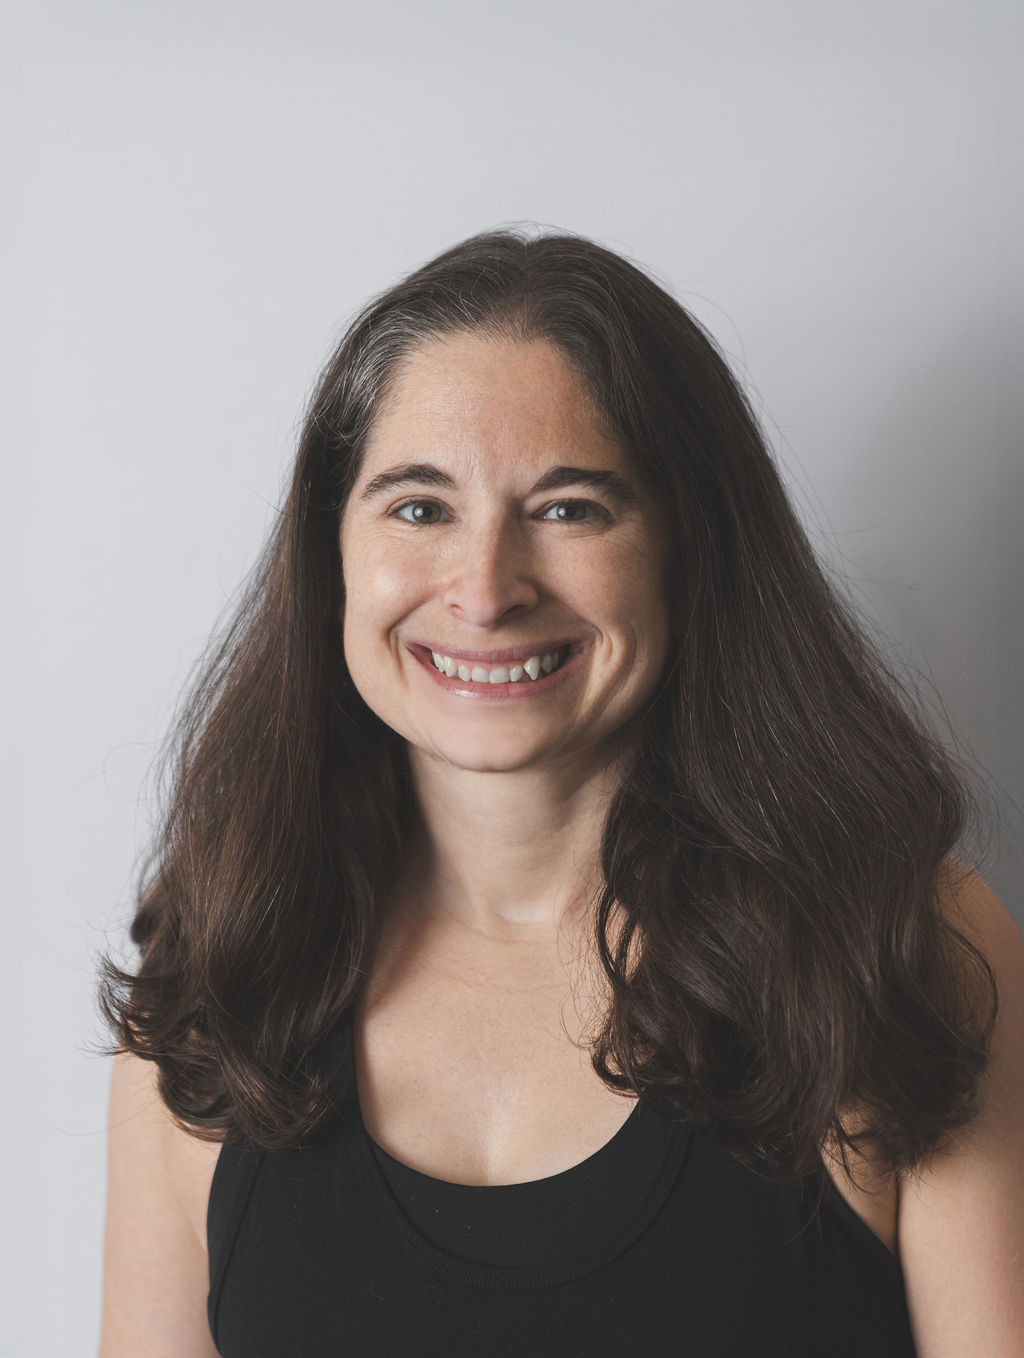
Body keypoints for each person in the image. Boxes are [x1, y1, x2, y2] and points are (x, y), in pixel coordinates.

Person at [97, 229, 1024, 1357]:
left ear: (691, 549)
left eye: (570, 507)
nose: (484, 590)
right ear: (330, 550)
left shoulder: (895, 947)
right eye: (419, 506)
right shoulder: (226, 964)